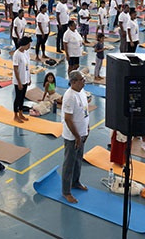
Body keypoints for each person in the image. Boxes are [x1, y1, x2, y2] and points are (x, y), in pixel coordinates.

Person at [61, 70, 90, 204]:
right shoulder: (69, 96)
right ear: (73, 82)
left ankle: (76, 182)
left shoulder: (82, 92)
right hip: (73, 136)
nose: (84, 82)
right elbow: (68, 119)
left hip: (82, 132)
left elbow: (85, 111)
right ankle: (66, 191)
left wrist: (87, 128)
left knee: (78, 159)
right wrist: (77, 136)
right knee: (69, 163)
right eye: (81, 80)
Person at [12, 36, 32, 123]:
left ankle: (21, 113)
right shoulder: (17, 54)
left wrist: (29, 77)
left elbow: (28, 66)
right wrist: (19, 82)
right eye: (28, 44)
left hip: (25, 78)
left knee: (22, 97)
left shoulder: (26, 52)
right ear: (24, 45)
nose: (29, 46)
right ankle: (15, 115)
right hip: (19, 80)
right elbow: (15, 69)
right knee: (18, 97)